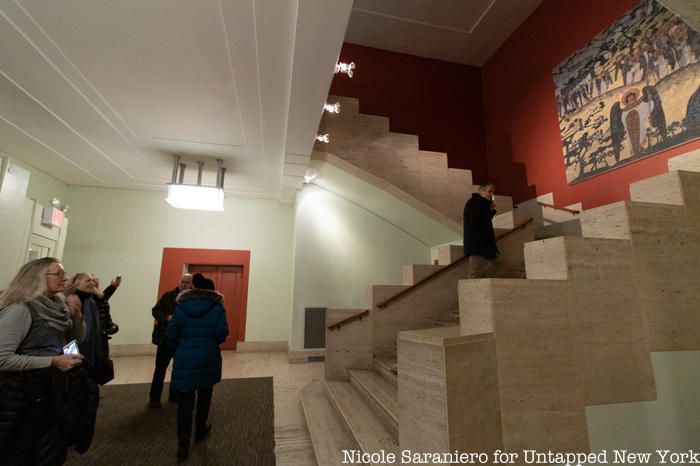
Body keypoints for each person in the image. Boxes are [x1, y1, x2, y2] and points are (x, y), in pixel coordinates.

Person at [0, 258, 90, 464]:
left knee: (50, 450)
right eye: (58, 274)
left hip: (49, 391)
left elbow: (71, 340)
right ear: (38, 277)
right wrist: (53, 361)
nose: (65, 278)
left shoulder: (58, 306)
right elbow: (2, 359)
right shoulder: (21, 309)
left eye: (63, 273)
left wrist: (76, 318)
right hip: (21, 396)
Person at [166, 278, 228, 463]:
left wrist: (180, 348)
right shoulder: (217, 307)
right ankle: (200, 430)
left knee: (184, 404)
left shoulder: (181, 307)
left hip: (185, 359)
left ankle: (182, 446)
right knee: (204, 396)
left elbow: (170, 335)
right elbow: (221, 334)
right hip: (208, 357)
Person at [148, 273, 193, 408]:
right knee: (160, 369)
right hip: (166, 339)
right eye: (182, 281)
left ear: (191, 284)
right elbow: (155, 310)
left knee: (178, 370)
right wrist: (167, 317)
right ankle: (154, 398)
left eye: (187, 282)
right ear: (179, 281)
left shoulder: (192, 299)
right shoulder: (168, 295)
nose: (184, 284)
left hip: (183, 340)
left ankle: (174, 396)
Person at [463, 182, 500, 279]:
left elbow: (483, 221)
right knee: (475, 272)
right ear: (481, 191)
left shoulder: (481, 203)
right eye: (490, 191)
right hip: (477, 244)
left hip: (484, 243)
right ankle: (473, 291)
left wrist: (490, 210)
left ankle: (482, 284)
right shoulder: (474, 202)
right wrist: (489, 210)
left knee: (497, 265)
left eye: (493, 192)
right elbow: (476, 222)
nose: (492, 194)